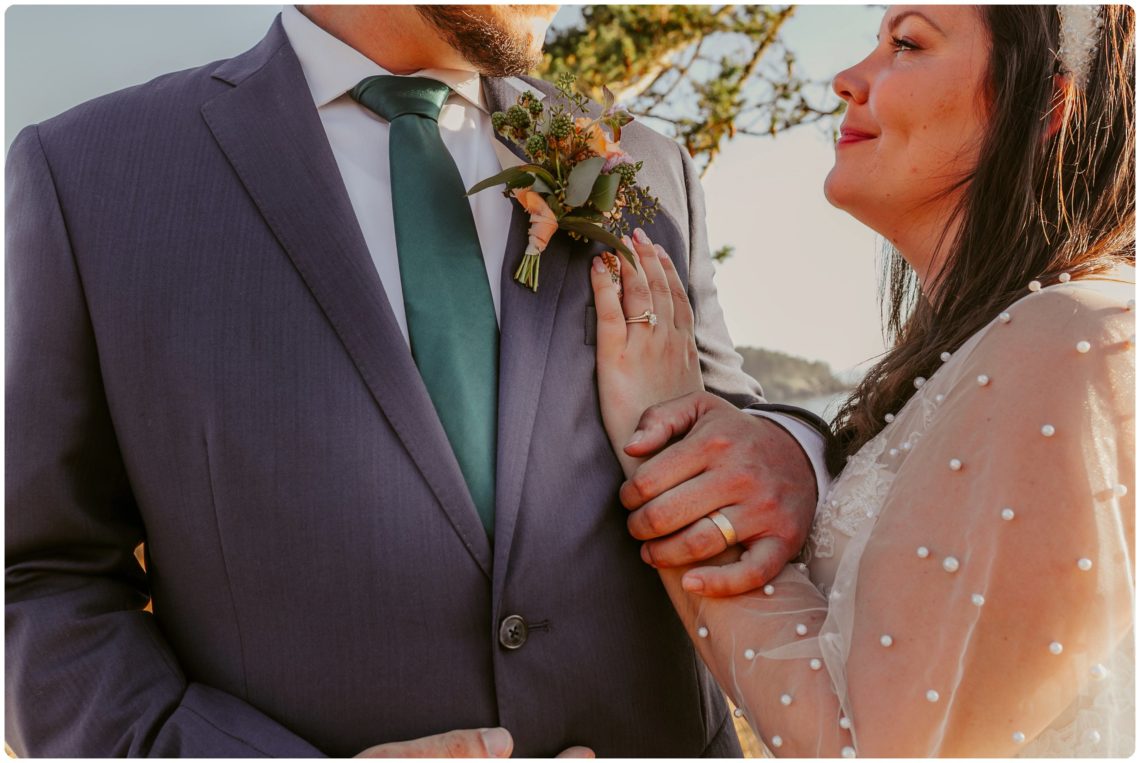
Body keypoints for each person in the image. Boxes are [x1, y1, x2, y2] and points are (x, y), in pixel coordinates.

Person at [6, 5, 830, 757]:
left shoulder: (638, 161)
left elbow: (731, 427)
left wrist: (794, 454)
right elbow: (43, 585)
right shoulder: (91, 176)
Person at [592, 4, 1135, 756]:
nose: (848, 79)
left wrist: (664, 435)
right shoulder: (998, 344)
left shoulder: (1077, 340)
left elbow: (867, 748)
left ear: (1043, 104)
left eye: (906, 44)